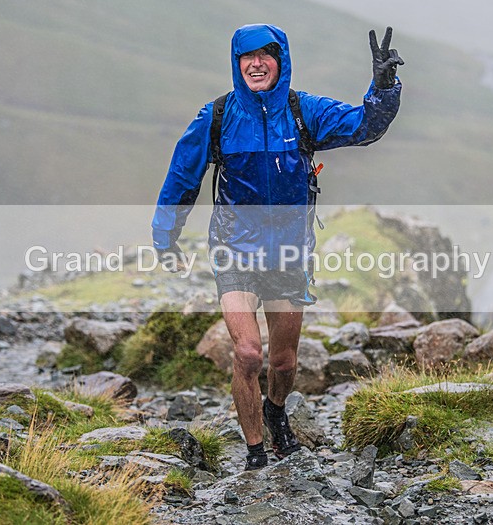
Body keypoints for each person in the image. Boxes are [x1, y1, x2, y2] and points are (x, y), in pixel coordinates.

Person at [152, 23, 403, 470]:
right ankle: (254, 451)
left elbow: (364, 127)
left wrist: (384, 87)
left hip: (289, 253)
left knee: (285, 362)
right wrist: (165, 236)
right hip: (234, 249)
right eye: (247, 56)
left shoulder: (303, 111)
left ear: (280, 60)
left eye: (266, 54)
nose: (256, 62)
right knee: (249, 352)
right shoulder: (217, 116)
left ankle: (276, 410)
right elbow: (181, 178)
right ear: (236, 63)